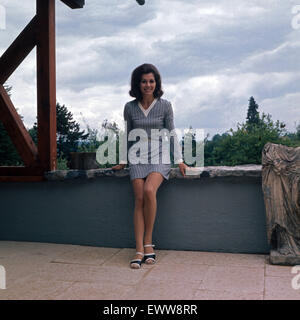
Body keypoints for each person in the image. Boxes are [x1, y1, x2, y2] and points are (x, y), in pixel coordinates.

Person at [112, 63, 188, 269]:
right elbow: (127, 135)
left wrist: (179, 159)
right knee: (138, 199)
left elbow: (171, 133)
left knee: (148, 190)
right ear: (138, 83)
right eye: (144, 81)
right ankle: (138, 249)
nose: (148, 85)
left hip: (159, 155)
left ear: (157, 83)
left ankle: (148, 243)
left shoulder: (165, 105)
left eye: (151, 81)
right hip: (136, 157)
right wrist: (122, 160)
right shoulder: (129, 107)